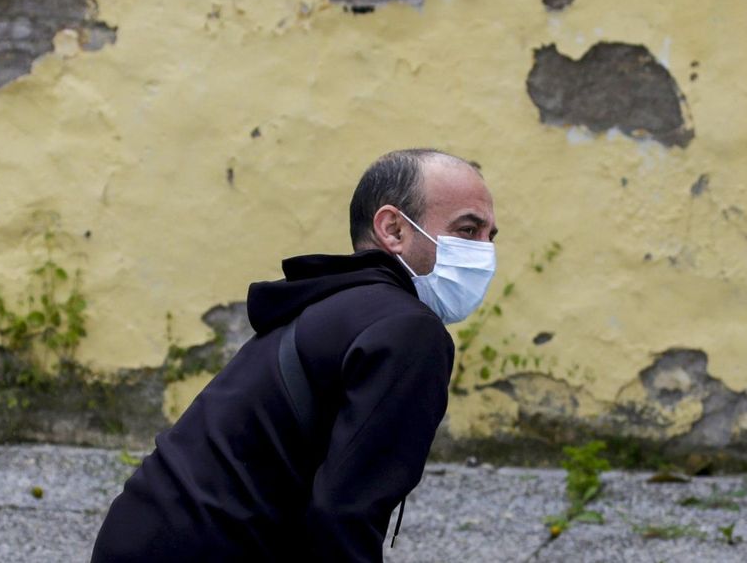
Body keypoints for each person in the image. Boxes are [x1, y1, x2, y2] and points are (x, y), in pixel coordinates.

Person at [90, 148, 497, 561]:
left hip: (143, 534)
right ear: (393, 229)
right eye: (467, 230)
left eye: (490, 236)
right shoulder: (408, 330)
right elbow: (345, 517)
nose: (485, 251)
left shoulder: (333, 302)